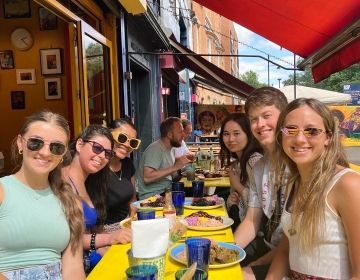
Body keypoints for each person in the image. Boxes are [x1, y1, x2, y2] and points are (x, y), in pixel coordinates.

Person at [266, 98, 360, 279]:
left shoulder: (348, 185)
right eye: (291, 129)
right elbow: (287, 248)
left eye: (312, 131)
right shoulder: (294, 183)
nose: (300, 139)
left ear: (328, 137)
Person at [0, 110, 85, 279]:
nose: (45, 153)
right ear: (20, 143)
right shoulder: (2, 191)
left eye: (56, 147)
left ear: (62, 155)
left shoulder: (70, 201)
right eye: (35, 143)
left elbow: (73, 268)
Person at [233, 86, 288, 280]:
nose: (260, 124)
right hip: (269, 248)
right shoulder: (259, 168)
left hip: (293, 259)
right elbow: (251, 220)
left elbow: (294, 239)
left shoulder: (299, 163)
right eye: (254, 119)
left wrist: (254, 267)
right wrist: (225, 252)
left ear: (285, 116)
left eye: (266, 115)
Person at [61, 125, 131, 270]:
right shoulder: (61, 181)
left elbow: (90, 230)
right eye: (97, 148)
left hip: (89, 258)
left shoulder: (91, 181)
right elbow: (67, 239)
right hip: (73, 267)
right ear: (80, 144)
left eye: (107, 153)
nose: (102, 157)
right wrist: (110, 238)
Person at [219, 113, 263, 230]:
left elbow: (264, 204)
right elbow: (236, 202)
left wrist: (238, 186)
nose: (230, 139)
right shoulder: (238, 162)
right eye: (226, 134)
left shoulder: (255, 161)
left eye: (236, 133)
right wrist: (232, 200)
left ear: (249, 134)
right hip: (242, 224)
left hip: (256, 234)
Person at [136, 117, 191, 199]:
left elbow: (169, 175)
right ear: (169, 134)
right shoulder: (156, 148)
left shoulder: (171, 148)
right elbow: (147, 177)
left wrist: (181, 169)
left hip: (165, 192)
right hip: (152, 197)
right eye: (180, 132)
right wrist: (175, 167)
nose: (183, 135)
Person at [105, 118, 140, 232]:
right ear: (108, 134)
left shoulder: (128, 164)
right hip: (104, 231)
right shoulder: (97, 166)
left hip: (127, 224)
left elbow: (132, 198)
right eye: (122, 138)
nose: (127, 145)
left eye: (133, 142)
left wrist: (132, 217)